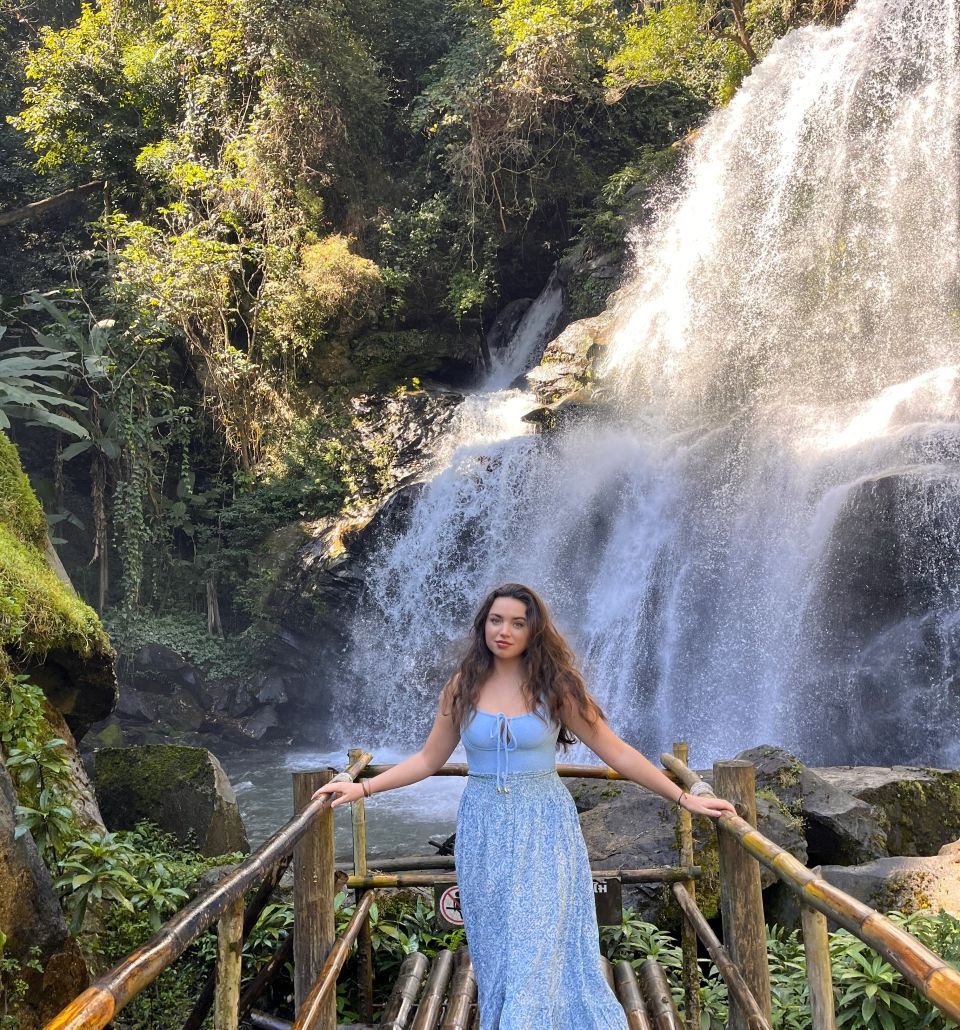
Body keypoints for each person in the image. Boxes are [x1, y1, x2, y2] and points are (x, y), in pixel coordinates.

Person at [315, 583, 735, 1029]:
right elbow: (427, 759)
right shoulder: (462, 686)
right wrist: (362, 790)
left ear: (534, 631)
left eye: (518, 623)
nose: (505, 631)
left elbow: (617, 752)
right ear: (483, 624)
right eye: (497, 620)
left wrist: (685, 797)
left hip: (544, 826)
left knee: (535, 947)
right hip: (483, 829)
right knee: (499, 952)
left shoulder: (557, 687)